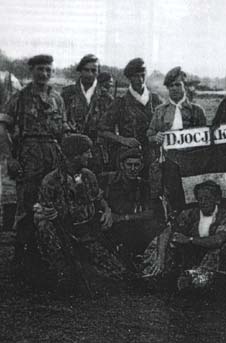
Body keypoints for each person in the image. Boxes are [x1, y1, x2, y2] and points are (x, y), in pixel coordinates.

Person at [33, 134, 124, 292]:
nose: (90, 155)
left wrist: (107, 210)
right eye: (86, 152)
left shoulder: (88, 176)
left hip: (87, 233)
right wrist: (49, 215)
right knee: (44, 226)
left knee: (118, 274)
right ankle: (61, 269)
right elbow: (40, 213)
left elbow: (99, 199)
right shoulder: (50, 181)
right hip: (63, 235)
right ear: (75, 155)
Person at [5, 54, 69, 266]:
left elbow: (63, 130)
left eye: (48, 70)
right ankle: (22, 255)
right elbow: (3, 128)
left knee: (52, 202)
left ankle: (46, 252)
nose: (45, 74)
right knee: (27, 203)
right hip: (29, 155)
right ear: (32, 71)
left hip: (53, 153)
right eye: (40, 69)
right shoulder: (20, 97)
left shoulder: (57, 98)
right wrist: (10, 159)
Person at [141, 180, 226, 291]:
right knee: (164, 240)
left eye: (207, 198)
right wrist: (161, 257)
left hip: (212, 257)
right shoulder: (190, 213)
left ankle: (198, 280)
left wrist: (190, 239)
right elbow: (168, 230)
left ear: (217, 199)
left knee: (216, 250)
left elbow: (218, 240)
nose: (203, 202)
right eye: (200, 198)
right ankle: (152, 272)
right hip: (190, 253)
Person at [147, 66, 207, 211]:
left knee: (193, 196)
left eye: (178, 85)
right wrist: (156, 137)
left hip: (192, 162)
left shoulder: (196, 111)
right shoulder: (160, 111)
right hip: (168, 162)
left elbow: (206, 137)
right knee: (172, 197)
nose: (174, 89)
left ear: (184, 86)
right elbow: (149, 133)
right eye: (171, 86)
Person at [98, 146, 163, 268]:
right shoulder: (107, 180)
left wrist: (124, 217)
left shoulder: (144, 186)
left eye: (136, 165)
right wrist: (107, 209)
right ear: (122, 165)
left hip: (132, 231)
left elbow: (150, 213)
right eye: (129, 165)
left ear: (141, 166)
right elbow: (95, 195)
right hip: (109, 231)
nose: (133, 169)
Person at [99, 58, 162, 172]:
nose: (140, 79)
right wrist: (123, 140)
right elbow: (102, 130)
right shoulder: (120, 102)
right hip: (130, 160)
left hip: (154, 157)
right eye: (136, 76)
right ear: (129, 78)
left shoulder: (156, 100)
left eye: (143, 75)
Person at [61, 54, 114, 173]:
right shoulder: (67, 94)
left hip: (97, 152)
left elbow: (110, 128)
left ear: (98, 72)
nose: (90, 74)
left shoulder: (107, 98)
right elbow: (60, 121)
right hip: (73, 152)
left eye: (93, 70)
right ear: (80, 71)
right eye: (86, 70)